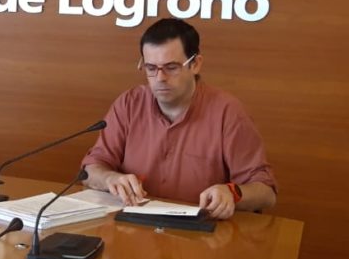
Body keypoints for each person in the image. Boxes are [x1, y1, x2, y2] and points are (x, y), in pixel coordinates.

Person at [81, 18, 276, 220]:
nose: (160, 78)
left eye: (171, 67)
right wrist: (110, 178)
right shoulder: (129, 104)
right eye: (150, 68)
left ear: (195, 64)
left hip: (199, 234)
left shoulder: (228, 112)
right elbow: (90, 170)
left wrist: (232, 193)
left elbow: (266, 192)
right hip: (134, 227)